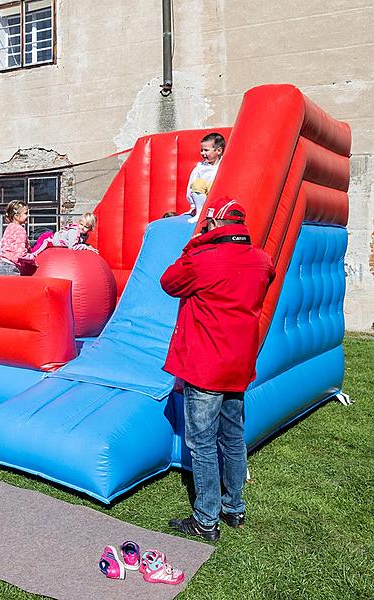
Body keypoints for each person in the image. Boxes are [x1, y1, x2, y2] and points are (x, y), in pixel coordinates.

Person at [161, 196, 275, 542]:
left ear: (214, 225)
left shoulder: (202, 259)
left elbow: (169, 282)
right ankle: (234, 507)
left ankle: (206, 519)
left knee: (202, 442)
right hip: (238, 363)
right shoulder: (262, 261)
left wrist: (198, 242)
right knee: (233, 437)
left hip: (206, 364)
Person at [185, 132, 225, 221]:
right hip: (203, 202)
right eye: (202, 150)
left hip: (219, 199)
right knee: (198, 183)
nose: (203, 153)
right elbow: (190, 187)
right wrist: (193, 205)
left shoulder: (224, 164)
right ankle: (200, 213)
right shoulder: (200, 168)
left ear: (218, 151)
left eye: (206, 150)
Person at [0, 200, 35, 276]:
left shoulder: (9, 227)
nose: (28, 216)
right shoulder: (20, 230)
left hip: (1, 265)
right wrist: (32, 257)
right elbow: (20, 254)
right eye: (26, 213)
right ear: (16, 216)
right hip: (11, 267)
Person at [31, 212, 98, 255]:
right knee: (34, 253)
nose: (82, 227)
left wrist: (88, 246)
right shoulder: (74, 232)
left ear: (90, 229)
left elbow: (79, 243)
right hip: (48, 239)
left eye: (86, 227)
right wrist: (85, 247)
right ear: (79, 222)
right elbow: (72, 247)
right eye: (81, 224)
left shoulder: (85, 235)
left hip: (52, 240)